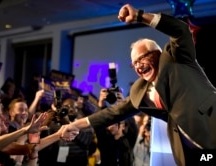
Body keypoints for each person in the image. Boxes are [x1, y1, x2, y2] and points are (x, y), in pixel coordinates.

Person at [61, 3, 216, 166]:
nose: (138, 66)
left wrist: (140, 16)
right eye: (134, 64)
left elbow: (181, 30)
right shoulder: (140, 90)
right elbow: (113, 113)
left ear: (157, 54)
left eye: (142, 59)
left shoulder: (175, 59)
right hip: (190, 153)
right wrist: (76, 124)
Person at [94, 88, 138, 166]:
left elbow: (132, 125)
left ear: (123, 126)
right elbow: (99, 124)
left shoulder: (128, 141)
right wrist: (101, 104)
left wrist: (124, 105)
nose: (110, 126)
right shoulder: (105, 141)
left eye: (114, 123)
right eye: (108, 124)